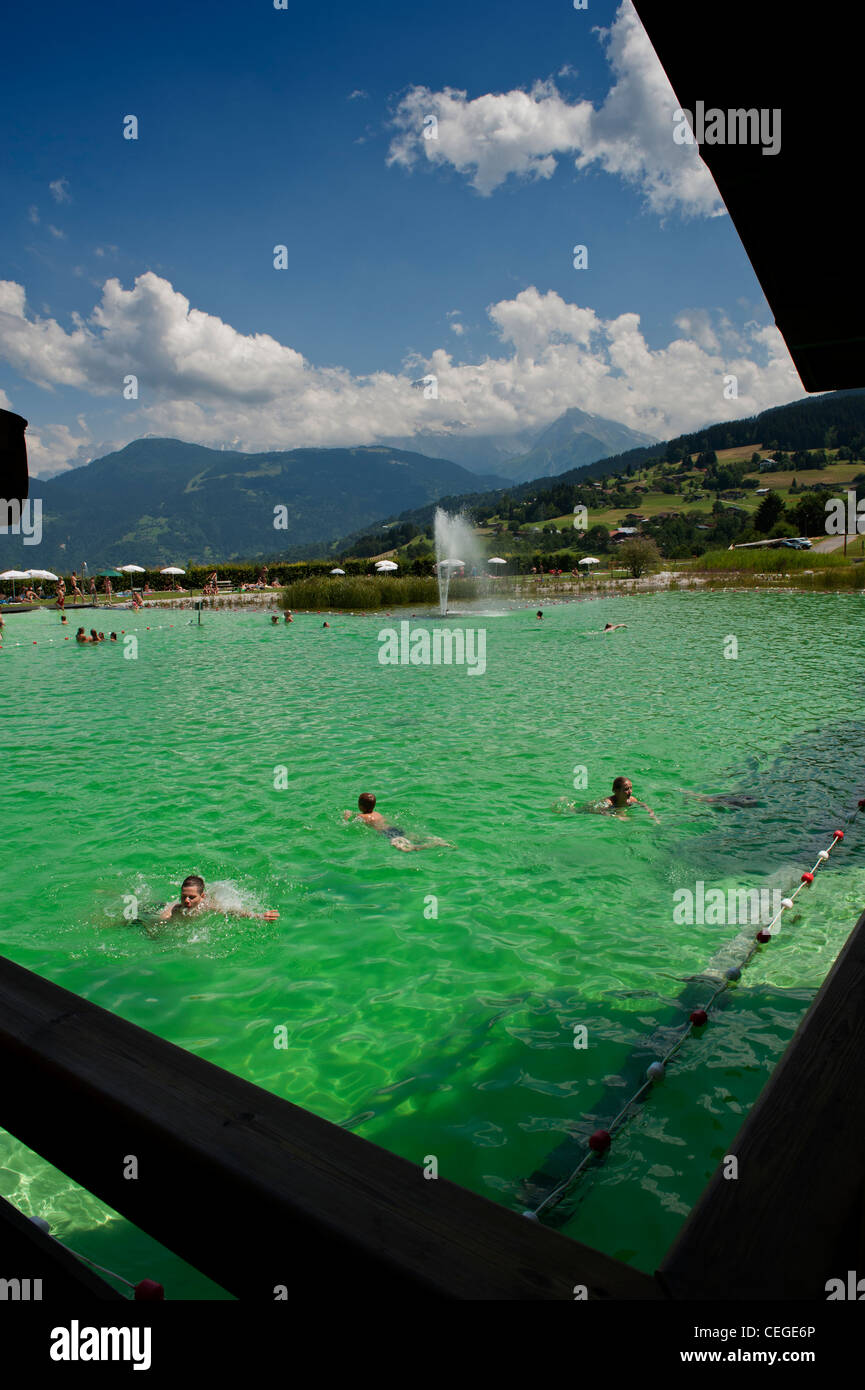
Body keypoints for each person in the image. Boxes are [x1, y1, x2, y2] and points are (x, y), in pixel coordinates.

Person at [343, 793, 453, 852]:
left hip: (387, 833)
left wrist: (346, 815)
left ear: (360, 806)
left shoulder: (362, 816)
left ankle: (429, 845)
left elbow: (349, 821)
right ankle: (436, 841)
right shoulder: (377, 814)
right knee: (414, 838)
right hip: (394, 828)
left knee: (407, 849)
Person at [158, 874, 279, 921]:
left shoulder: (207, 905)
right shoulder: (176, 909)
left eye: (191, 897)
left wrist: (260, 916)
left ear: (202, 897)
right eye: (183, 896)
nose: (186, 901)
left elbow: (233, 911)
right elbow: (159, 920)